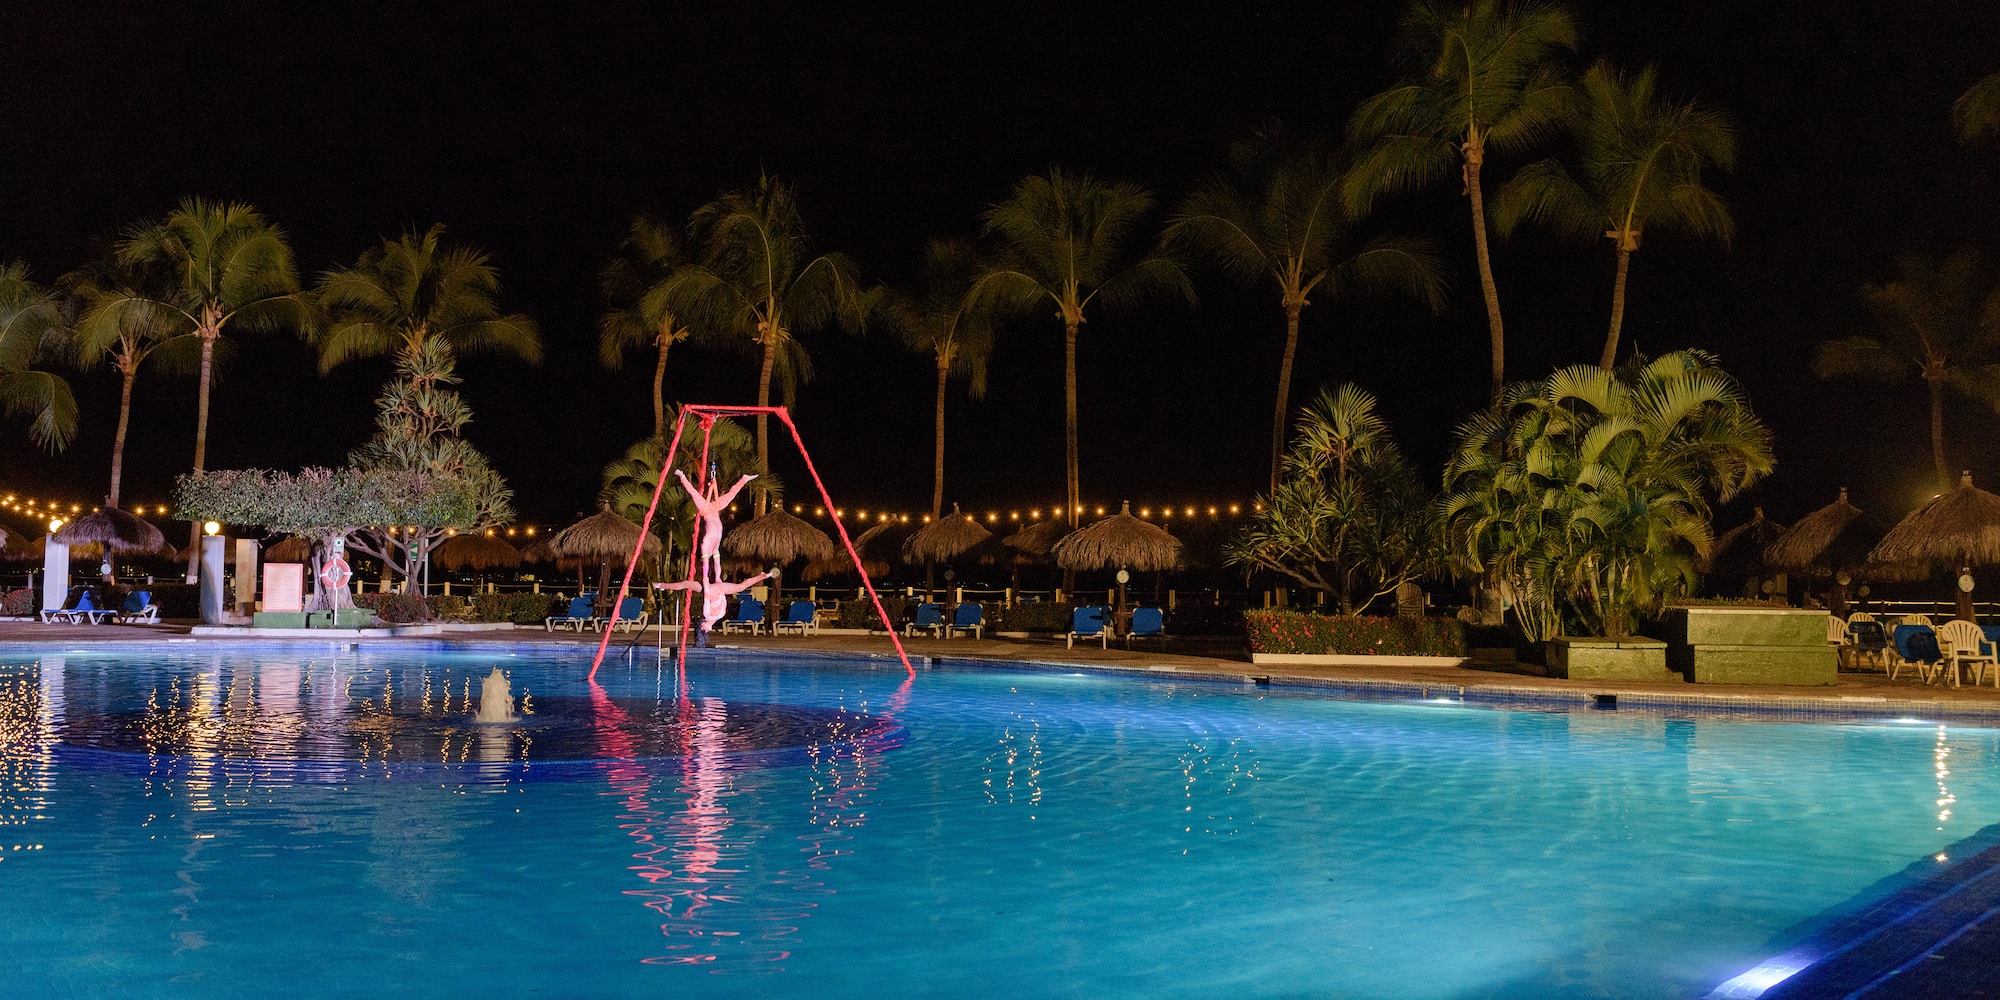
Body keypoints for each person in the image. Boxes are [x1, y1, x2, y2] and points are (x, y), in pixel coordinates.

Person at [674, 469, 756, 584]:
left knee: (694, 493)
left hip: (706, 509)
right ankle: (744, 479)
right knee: (730, 495)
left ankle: (682, 476)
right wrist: (717, 578)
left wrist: (705, 577)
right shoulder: (715, 548)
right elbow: (717, 564)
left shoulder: (706, 545)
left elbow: (706, 565)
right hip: (716, 509)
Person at [656, 570, 772, 647]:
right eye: (704, 629)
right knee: (741, 587)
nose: (703, 627)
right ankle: (762, 576)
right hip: (720, 588)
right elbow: (722, 599)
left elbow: (706, 596)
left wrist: (706, 583)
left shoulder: (707, 614)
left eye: (701, 628)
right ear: (707, 629)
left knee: (686, 583)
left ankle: (663, 585)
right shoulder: (719, 616)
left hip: (709, 589)